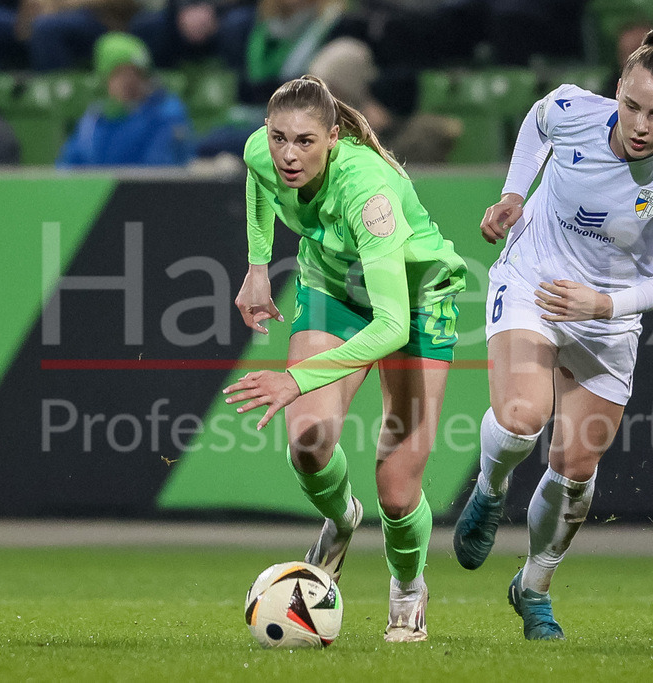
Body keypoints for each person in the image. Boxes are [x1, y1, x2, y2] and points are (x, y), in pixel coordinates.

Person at [452, 26, 653, 640]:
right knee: (524, 415)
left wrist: (604, 305)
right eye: (631, 105)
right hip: (535, 281)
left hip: (606, 315)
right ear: (618, 91)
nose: (639, 124)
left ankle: (533, 587)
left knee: (575, 467)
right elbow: (535, 120)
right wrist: (512, 194)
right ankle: (491, 487)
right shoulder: (572, 109)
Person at [222, 75, 467, 642]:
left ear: (333, 137)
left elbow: (390, 325)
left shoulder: (367, 192)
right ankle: (340, 517)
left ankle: (408, 588)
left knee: (398, 490)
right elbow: (259, 181)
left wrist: (295, 378)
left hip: (415, 303)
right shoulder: (263, 152)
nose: (288, 154)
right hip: (333, 289)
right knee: (308, 440)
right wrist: (258, 266)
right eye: (279, 137)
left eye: (305, 142)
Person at [56, 31, 194, 167]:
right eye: (119, 74)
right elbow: (69, 166)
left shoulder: (167, 114)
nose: (128, 82)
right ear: (105, 79)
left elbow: (158, 169)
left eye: (135, 74)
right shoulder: (93, 121)